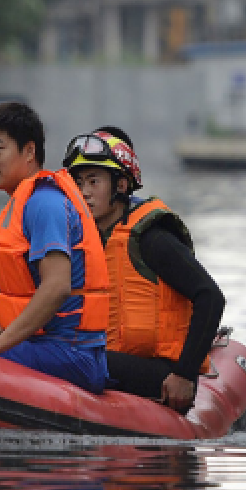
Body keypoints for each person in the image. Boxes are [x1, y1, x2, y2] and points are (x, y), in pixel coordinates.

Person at [65, 127, 225, 413]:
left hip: (162, 370)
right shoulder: (84, 241)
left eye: (93, 181)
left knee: (75, 360)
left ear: (120, 186)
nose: (84, 192)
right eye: (78, 183)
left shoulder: (152, 239)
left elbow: (210, 296)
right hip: (113, 358)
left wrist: (184, 374)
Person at [0, 102, 109, 394]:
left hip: (71, 353)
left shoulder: (44, 203)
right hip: (47, 345)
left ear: (29, 151)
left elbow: (57, 287)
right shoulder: (23, 202)